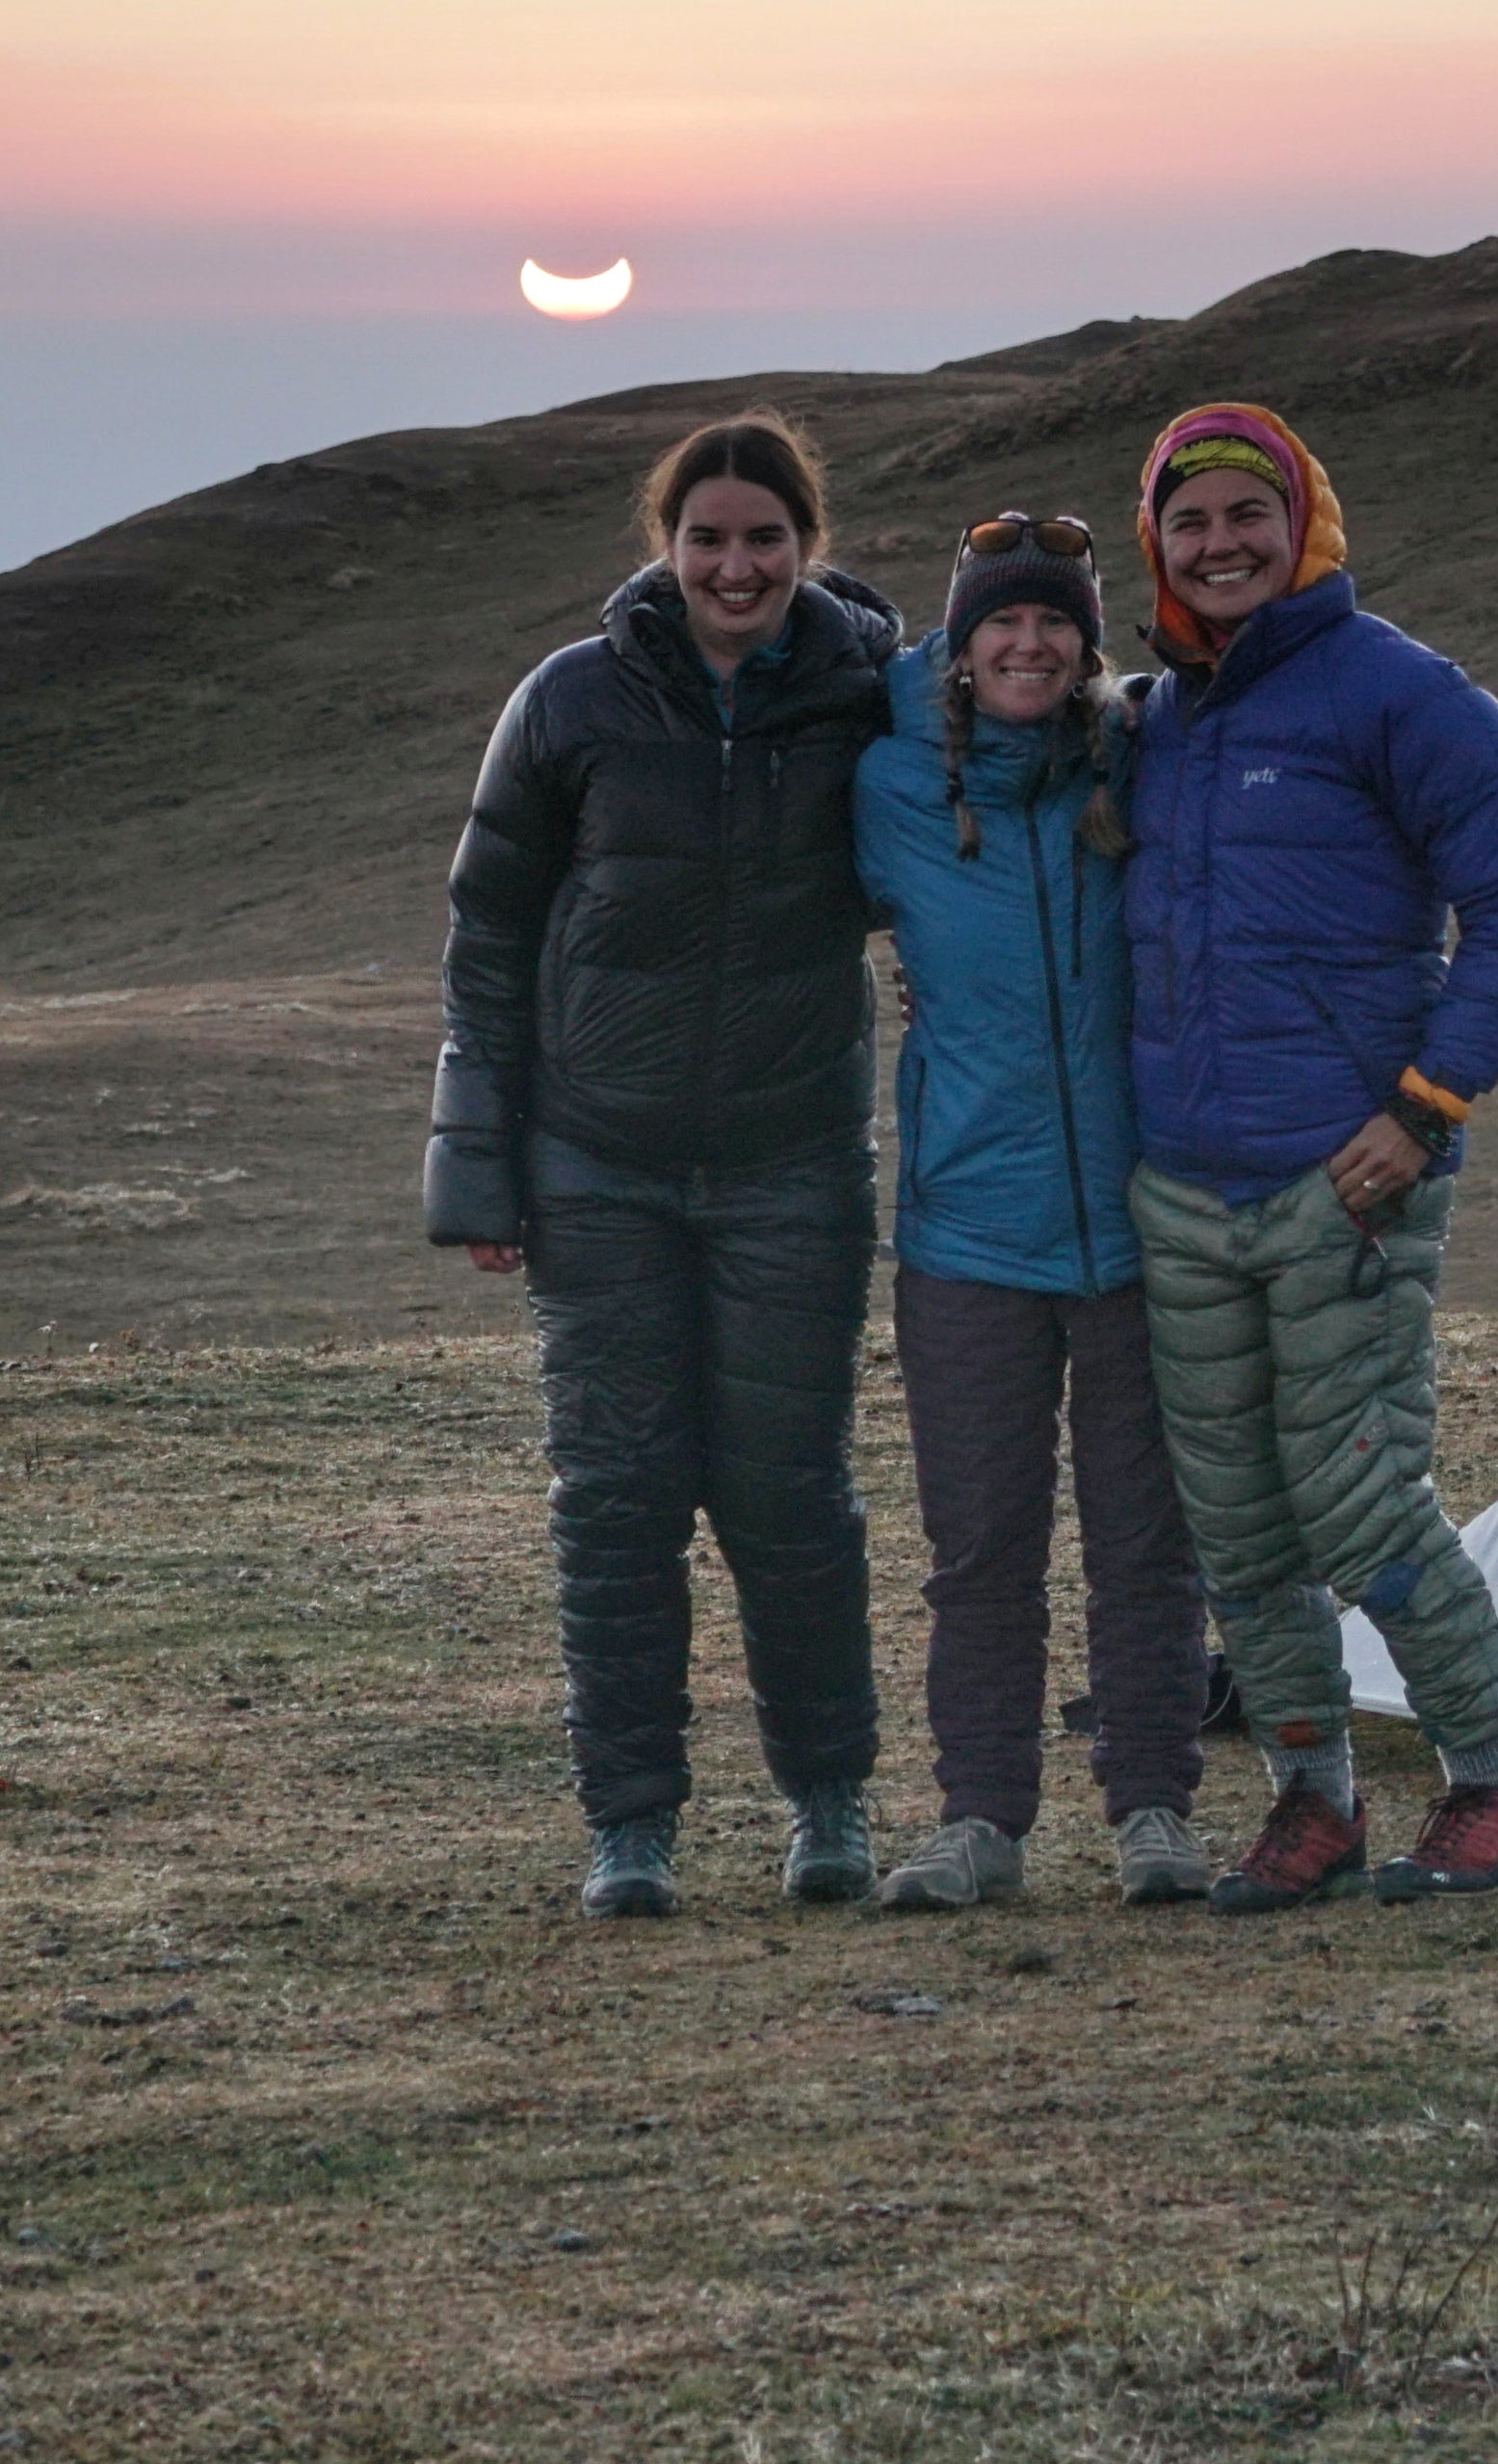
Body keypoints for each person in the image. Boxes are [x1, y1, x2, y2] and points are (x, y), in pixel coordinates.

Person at [425, 412, 904, 1920]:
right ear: (666, 546)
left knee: (788, 1498)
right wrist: (481, 1170)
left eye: (766, 537)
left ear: (806, 546)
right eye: (707, 538)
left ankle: (828, 1801)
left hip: (792, 1168)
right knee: (619, 1499)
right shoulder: (567, 703)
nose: (736, 565)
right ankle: (628, 1826)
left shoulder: (865, 698)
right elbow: (490, 933)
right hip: (599, 1168)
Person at [1117, 403, 1498, 1912]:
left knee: (1364, 1502)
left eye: (1252, 512)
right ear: (1159, 545)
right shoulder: (1159, 723)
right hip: (1185, 1190)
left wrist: (1427, 1105)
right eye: (1191, 522)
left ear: (1308, 524)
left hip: (1346, 1182)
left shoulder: (1405, 695)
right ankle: (1308, 1801)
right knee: (1237, 1523)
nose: (1222, 542)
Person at [848, 511, 1215, 1911]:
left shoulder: (1136, 762)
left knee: (1144, 1545)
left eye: (1055, 622)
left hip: (1136, 1228)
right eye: (1001, 620)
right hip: (965, 1236)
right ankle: (981, 1822)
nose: (1028, 643)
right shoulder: (887, 786)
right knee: (982, 1549)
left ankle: (1155, 1815)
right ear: (959, 643)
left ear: (1087, 646)